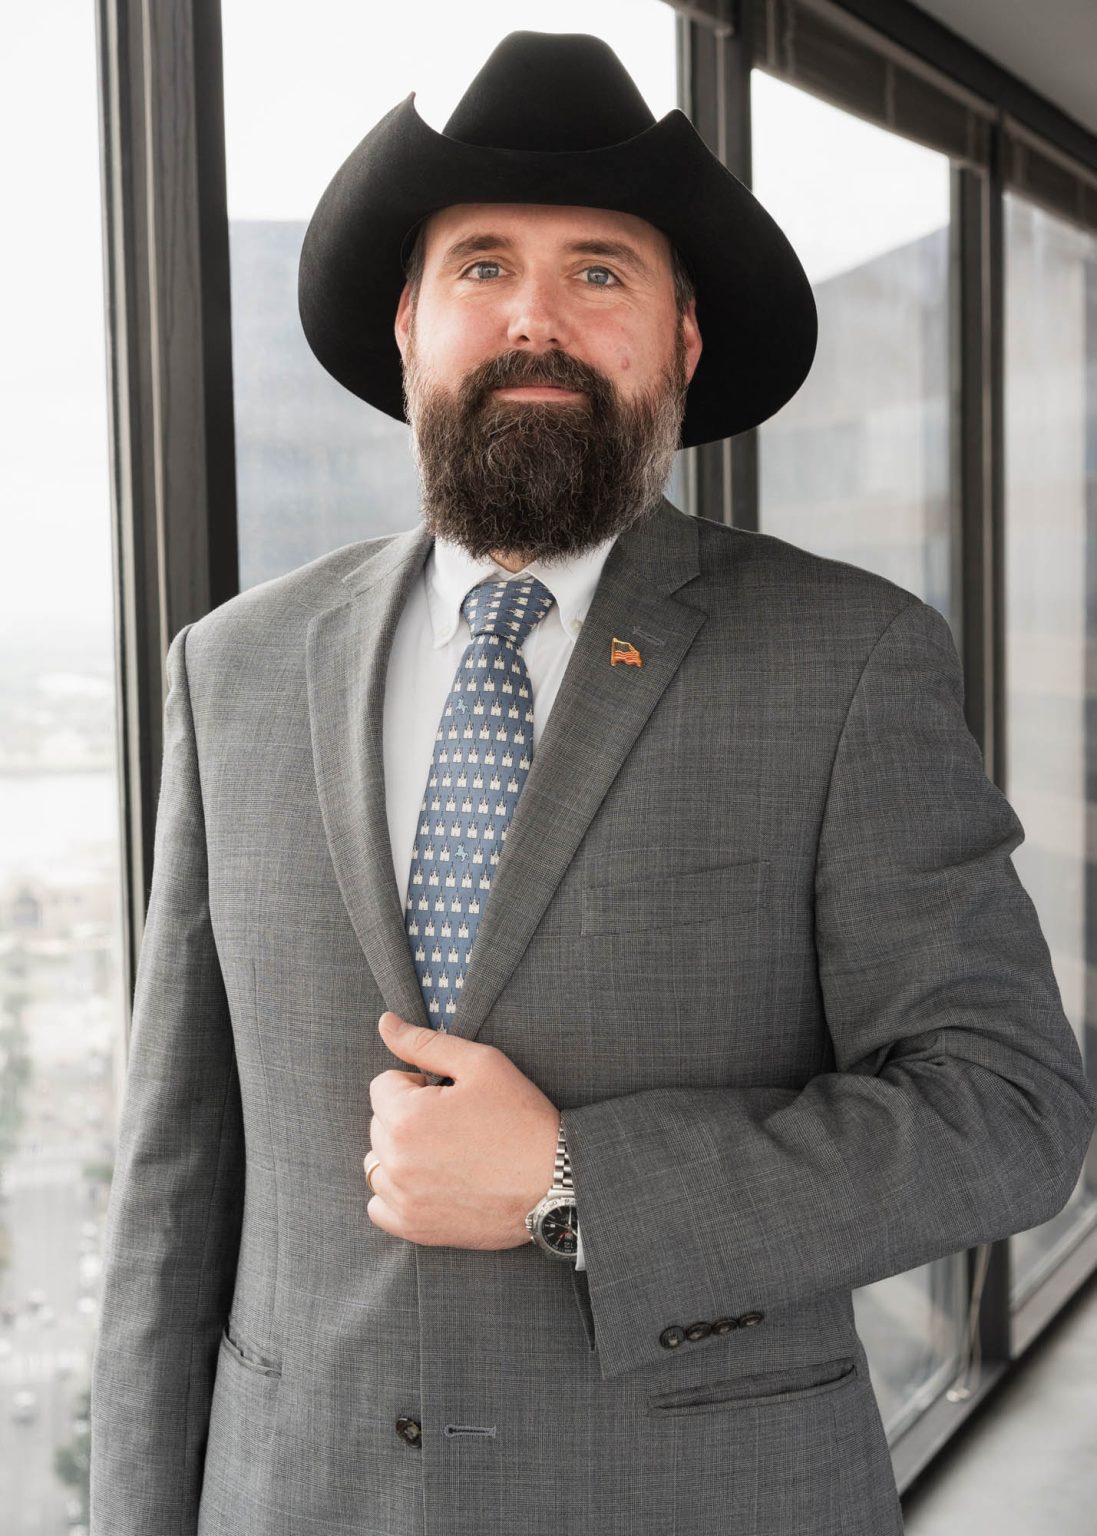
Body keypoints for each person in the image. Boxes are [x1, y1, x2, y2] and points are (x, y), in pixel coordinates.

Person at [89, 29, 1097, 1536]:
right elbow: (173, 1193)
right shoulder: (228, 668)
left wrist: (572, 1180)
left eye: (600, 274)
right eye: (480, 269)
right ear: (408, 332)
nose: (535, 319)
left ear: (681, 345)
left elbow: (1007, 1114)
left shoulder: (846, 658)